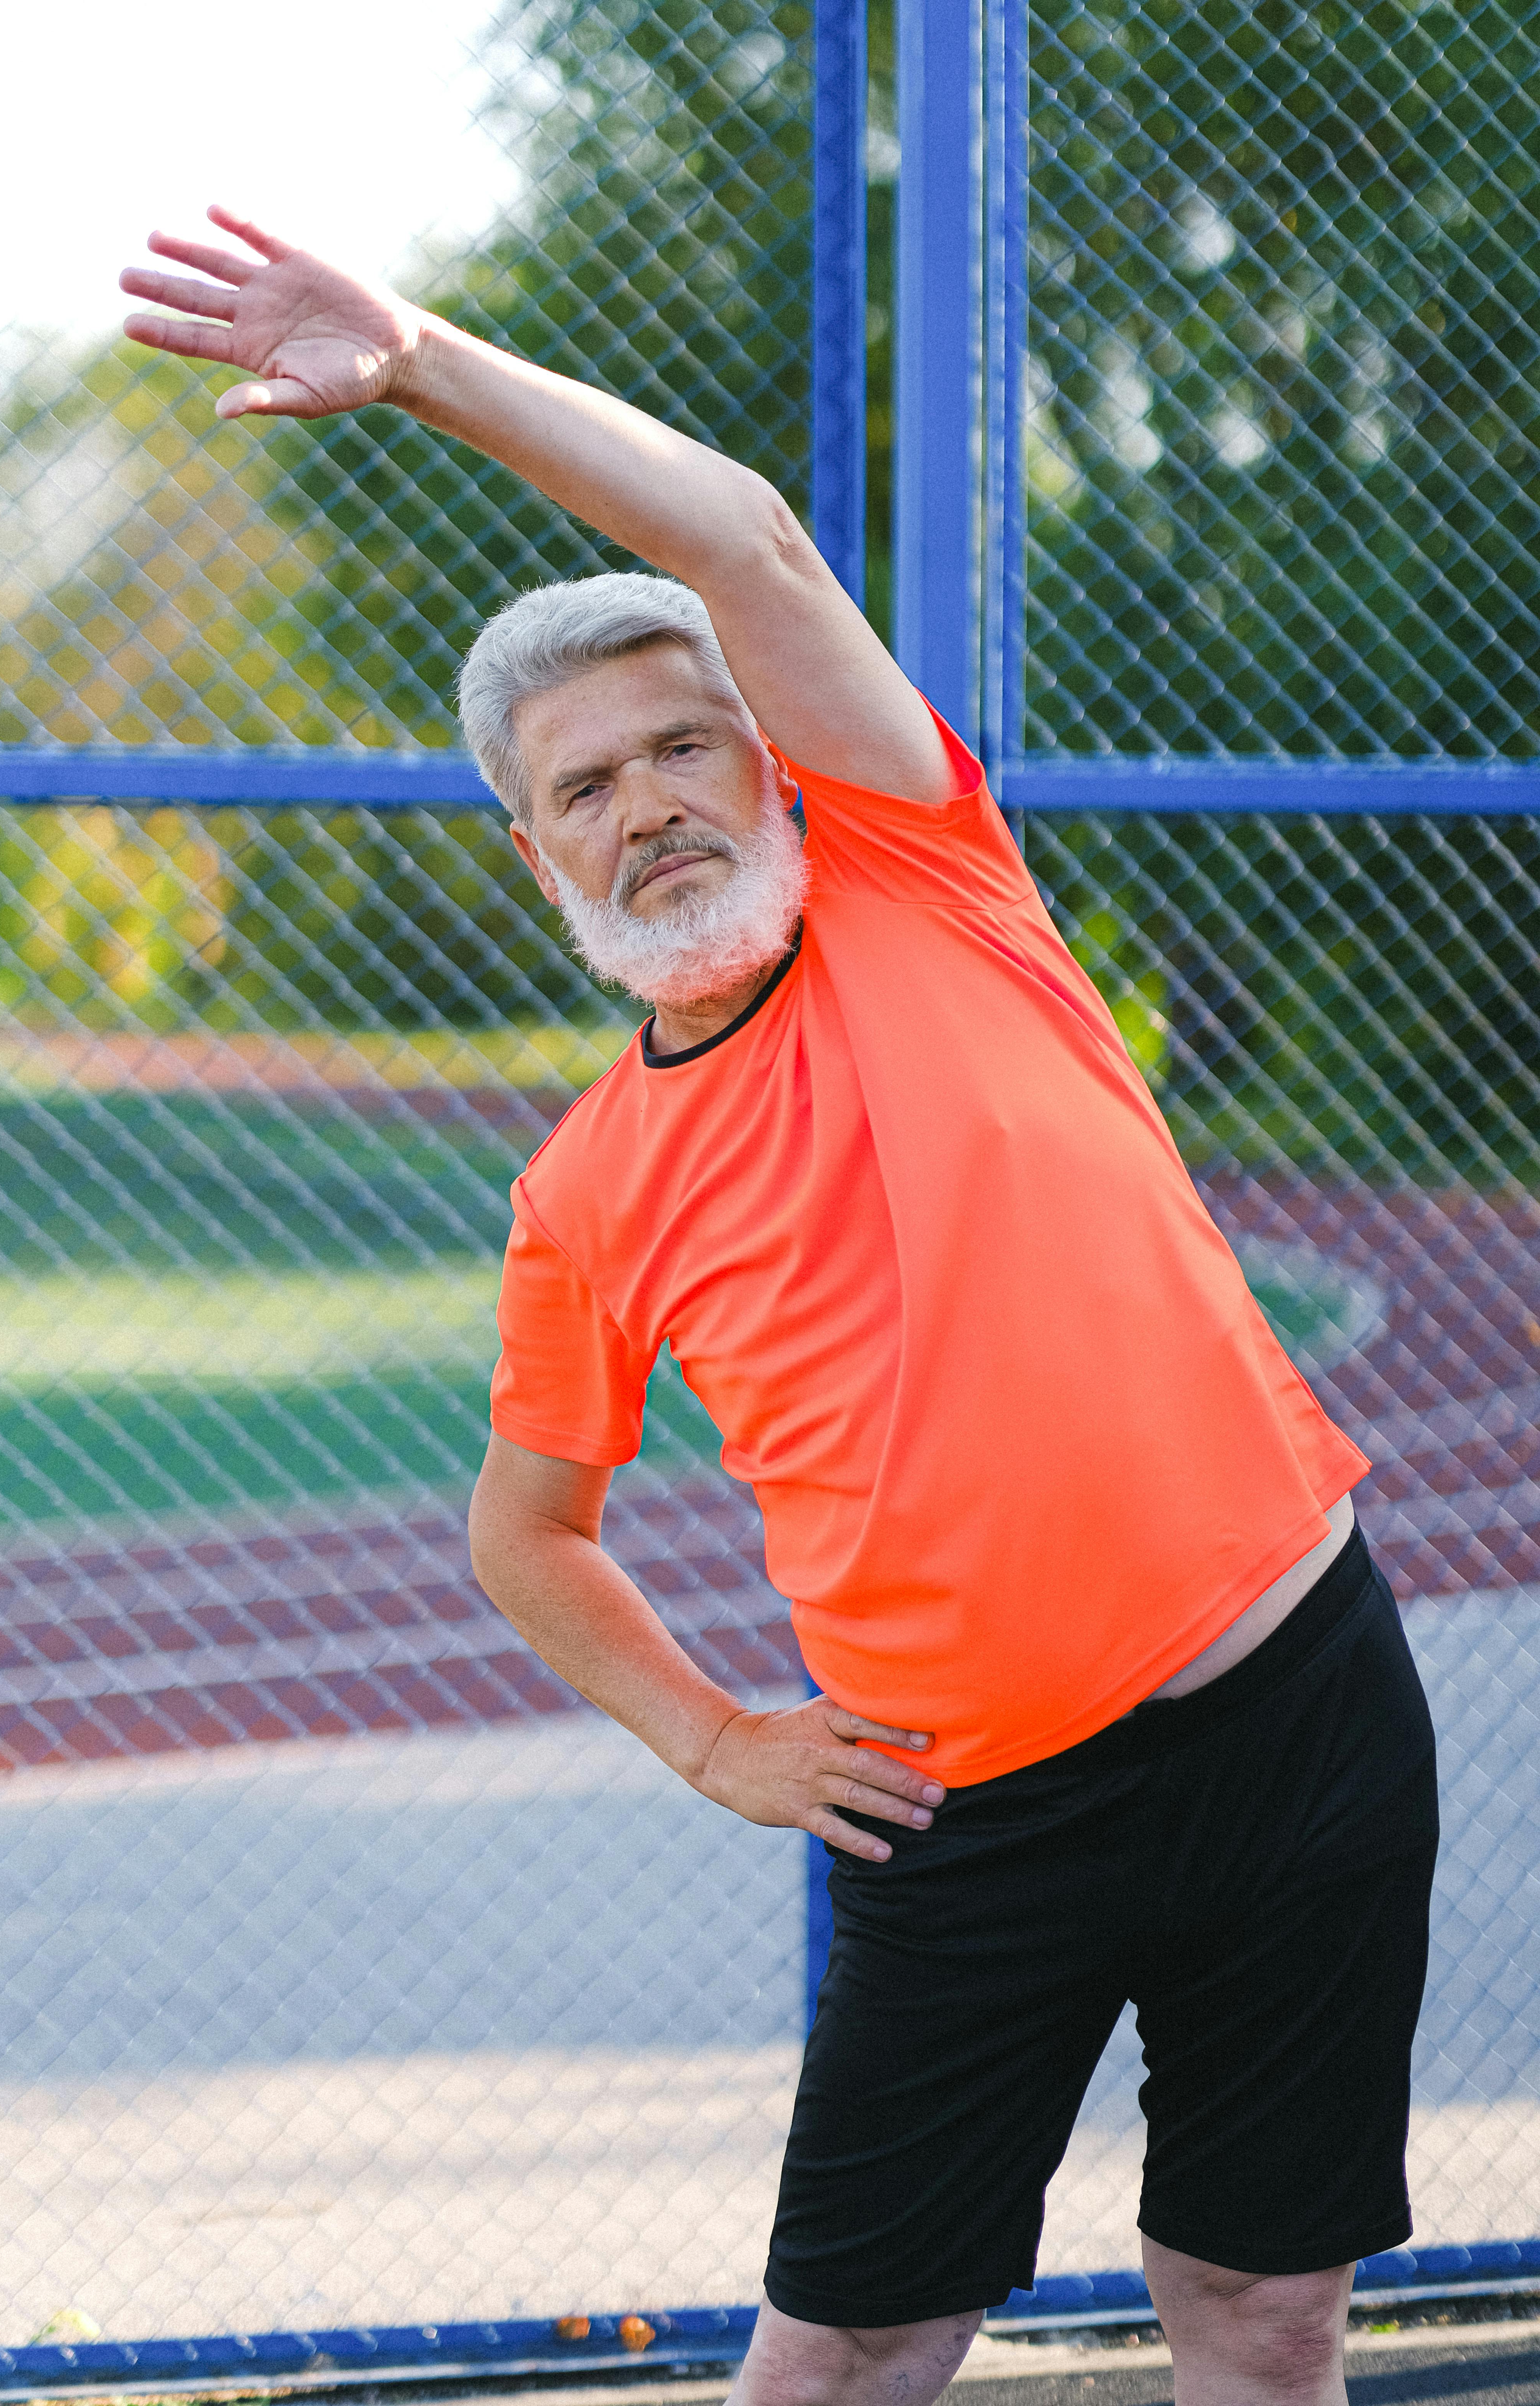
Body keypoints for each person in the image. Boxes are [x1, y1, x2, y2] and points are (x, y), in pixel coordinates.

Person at [121, 207, 1440, 2406]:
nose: (643, 808)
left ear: (769, 763)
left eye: (676, 753)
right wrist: (718, 1738)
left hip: (1298, 1711)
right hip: (966, 1816)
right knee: (843, 2358)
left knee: (1266, 2313)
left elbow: (735, 535)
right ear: (538, 861)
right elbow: (524, 1532)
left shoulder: (933, 873)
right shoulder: (584, 1194)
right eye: (583, 792)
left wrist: (428, 360)